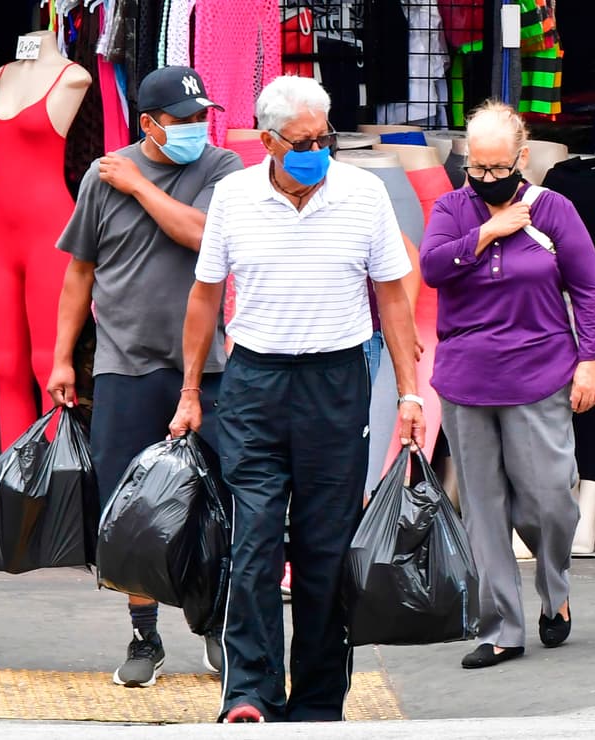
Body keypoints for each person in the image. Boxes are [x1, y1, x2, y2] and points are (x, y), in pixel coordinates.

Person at [170, 75, 424, 723]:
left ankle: (316, 702)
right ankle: (249, 693)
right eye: (303, 141)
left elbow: (394, 295)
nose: (317, 150)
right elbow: (205, 296)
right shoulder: (232, 196)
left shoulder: (362, 195)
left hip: (336, 384)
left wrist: (409, 393)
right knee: (252, 543)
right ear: (268, 141)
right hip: (254, 383)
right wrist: (191, 390)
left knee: (325, 550)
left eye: (324, 138)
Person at [46, 65, 243, 688]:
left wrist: (139, 186)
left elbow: (205, 235)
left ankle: (213, 623)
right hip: (125, 364)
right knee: (130, 511)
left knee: (215, 500)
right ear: (148, 123)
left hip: (206, 368)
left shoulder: (222, 170)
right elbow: (79, 273)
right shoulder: (102, 178)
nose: (195, 128)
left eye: (200, 117)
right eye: (183, 120)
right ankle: (144, 635)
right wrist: (60, 357)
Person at [418, 100, 595, 669]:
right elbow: (431, 267)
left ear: (522, 158)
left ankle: (556, 592)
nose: (488, 179)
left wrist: (588, 360)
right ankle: (501, 627)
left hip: (540, 373)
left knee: (549, 498)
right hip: (466, 378)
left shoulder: (554, 211)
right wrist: (487, 232)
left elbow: (590, 288)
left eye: (499, 169)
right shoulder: (453, 208)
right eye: (478, 168)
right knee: (482, 508)